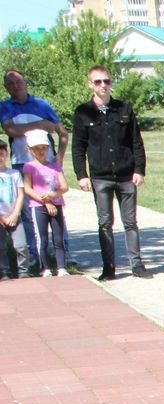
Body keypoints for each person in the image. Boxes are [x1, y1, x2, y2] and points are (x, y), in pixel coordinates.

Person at [71, 64, 149, 280]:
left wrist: (139, 170)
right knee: (105, 223)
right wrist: (81, 175)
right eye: (98, 82)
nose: (103, 85)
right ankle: (109, 267)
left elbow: (136, 142)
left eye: (106, 81)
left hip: (126, 175)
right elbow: (78, 147)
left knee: (130, 222)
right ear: (90, 84)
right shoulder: (82, 112)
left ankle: (137, 265)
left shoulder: (124, 108)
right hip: (100, 177)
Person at [1, 69, 66, 268]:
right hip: (22, 163)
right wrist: (40, 124)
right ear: (6, 87)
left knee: (55, 207)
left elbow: (61, 132)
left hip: (46, 164)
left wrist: (60, 156)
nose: (15, 86)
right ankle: (35, 255)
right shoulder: (5, 106)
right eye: (10, 83)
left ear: (25, 82)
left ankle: (62, 253)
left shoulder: (42, 104)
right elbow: (11, 130)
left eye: (18, 81)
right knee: (29, 212)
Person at [21, 129, 70, 277]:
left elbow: (64, 186)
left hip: (56, 204)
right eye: (36, 148)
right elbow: (28, 189)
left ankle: (61, 266)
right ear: (29, 149)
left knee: (58, 236)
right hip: (39, 206)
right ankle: (45, 267)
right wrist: (45, 201)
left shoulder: (54, 166)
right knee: (42, 238)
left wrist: (55, 195)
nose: (41, 151)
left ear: (48, 148)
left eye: (43, 147)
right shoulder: (29, 166)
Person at [0, 140, 27, 278]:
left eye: (1, 154)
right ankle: (4, 271)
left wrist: (15, 214)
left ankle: (23, 271)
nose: (0, 158)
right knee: (1, 247)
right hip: (0, 217)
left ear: (6, 154)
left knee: (20, 245)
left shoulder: (14, 174)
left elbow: (21, 195)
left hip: (14, 215)